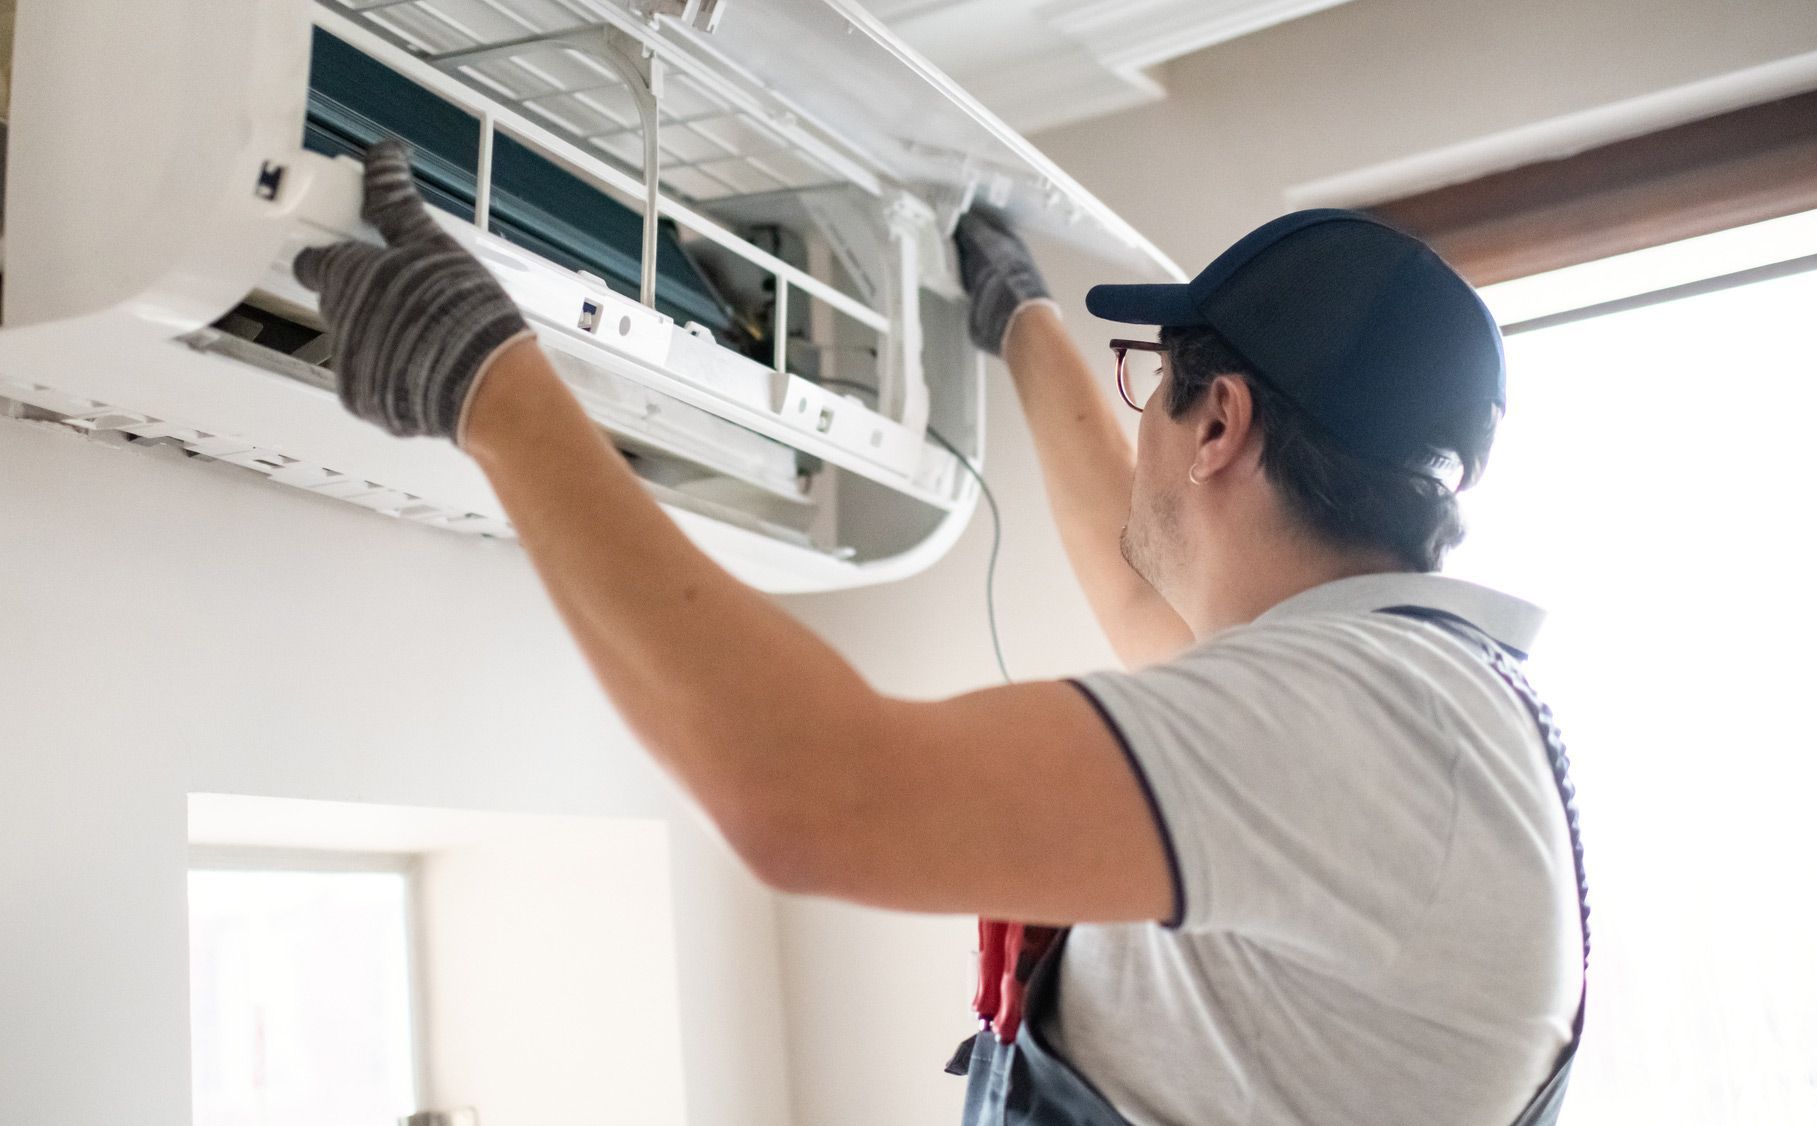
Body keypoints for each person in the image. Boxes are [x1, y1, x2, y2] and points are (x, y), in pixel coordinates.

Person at [296, 142, 1587, 1126]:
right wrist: (1018, 315)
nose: (1136, 422)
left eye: (1151, 384)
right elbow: (1141, 596)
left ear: (1216, 425)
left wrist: (489, 389)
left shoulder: (1369, 721)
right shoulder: (1403, 704)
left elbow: (813, 794)